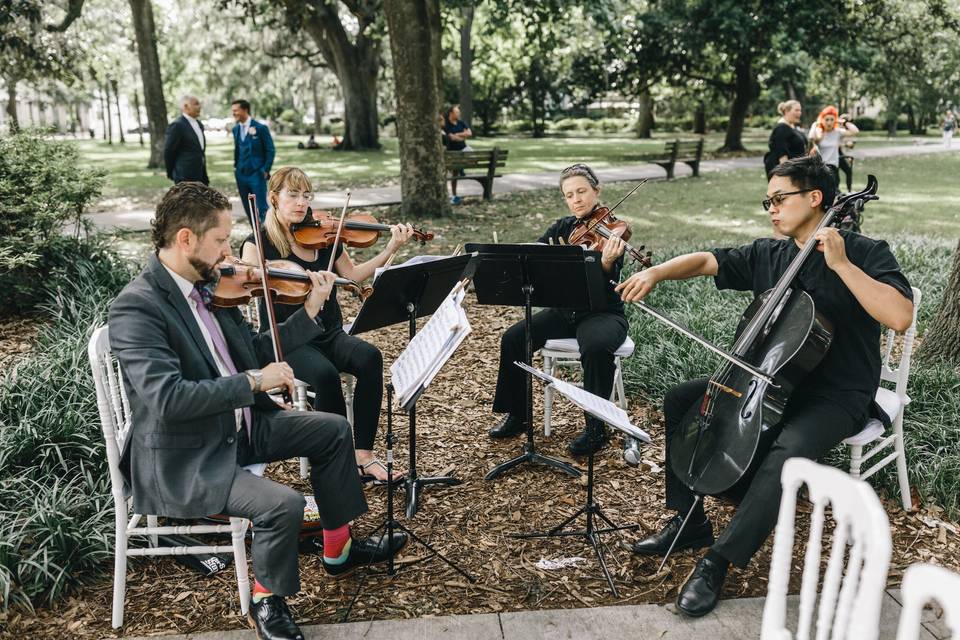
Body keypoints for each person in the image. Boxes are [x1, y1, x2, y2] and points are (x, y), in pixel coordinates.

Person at [616, 155, 913, 618]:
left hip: (837, 394)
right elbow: (709, 261)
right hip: (770, 383)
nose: (771, 209)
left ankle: (717, 563)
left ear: (815, 199)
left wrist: (841, 265)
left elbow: (899, 315)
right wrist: (655, 272)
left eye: (779, 199)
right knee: (682, 400)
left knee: (789, 448)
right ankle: (689, 522)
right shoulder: (772, 254)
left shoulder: (866, 251)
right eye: (767, 201)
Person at [108, 182, 406, 640]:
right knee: (282, 503)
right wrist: (252, 381)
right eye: (221, 241)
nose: (232, 253)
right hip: (186, 456)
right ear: (186, 239)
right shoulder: (137, 307)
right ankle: (268, 602)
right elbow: (167, 398)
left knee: (331, 431)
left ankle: (338, 549)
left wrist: (309, 309)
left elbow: (255, 349)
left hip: (240, 425)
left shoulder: (210, 286)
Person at [241, 167, 415, 483]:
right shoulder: (257, 244)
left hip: (327, 331)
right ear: (273, 198)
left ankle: (363, 456)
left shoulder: (324, 238)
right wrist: (277, 272)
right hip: (288, 338)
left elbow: (354, 276)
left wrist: (391, 249)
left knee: (369, 357)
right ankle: (334, 461)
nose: (301, 203)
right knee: (324, 375)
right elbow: (252, 281)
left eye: (306, 196)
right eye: (292, 195)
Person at [487, 163, 628, 456]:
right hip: (564, 312)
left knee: (597, 345)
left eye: (582, 192)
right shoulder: (563, 228)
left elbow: (607, 281)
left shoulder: (613, 232)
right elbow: (535, 255)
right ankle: (518, 414)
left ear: (596, 191)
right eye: (569, 195)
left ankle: (595, 426)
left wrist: (603, 262)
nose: (576, 199)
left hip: (602, 312)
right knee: (513, 338)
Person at [231, 99, 276, 226]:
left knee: (262, 208)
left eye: (236, 110)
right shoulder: (235, 130)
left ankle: (268, 236)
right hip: (241, 174)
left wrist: (265, 170)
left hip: (257, 174)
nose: (234, 113)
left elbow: (270, 149)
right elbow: (238, 150)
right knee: (248, 208)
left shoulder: (260, 128)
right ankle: (256, 236)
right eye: (233, 111)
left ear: (245, 110)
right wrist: (236, 167)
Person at [808, 105, 859, 189]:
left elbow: (855, 131)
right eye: (827, 119)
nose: (829, 122)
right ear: (822, 119)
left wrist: (842, 122)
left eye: (832, 119)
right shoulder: (819, 132)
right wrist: (814, 125)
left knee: (834, 193)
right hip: (822, 167)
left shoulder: (837, 132)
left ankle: (848, 190)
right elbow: (811, 137)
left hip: (833, 168)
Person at [164, 95, 209, 185]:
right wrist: (171, 172)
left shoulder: (199, 124)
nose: (199, 107)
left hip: (201, 174)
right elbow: (169, 151)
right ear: (185, 106)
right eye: (196, 104)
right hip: (184, 176)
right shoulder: (177, 125)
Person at [764, 100, 806, 178]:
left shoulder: (793, 128)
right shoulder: (781, 128)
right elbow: (781, 154)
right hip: (786, 172)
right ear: (786, 111)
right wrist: (787, 175)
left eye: (800, 110)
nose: (799, 113)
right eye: (796, 110)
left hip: (797, 169)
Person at [443, 104, 473, 205]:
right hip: (452, 154)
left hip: (463, 151)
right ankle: (454, 195)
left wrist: (458, 134)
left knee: (470, 151)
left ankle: (461, 167)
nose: (459, 114)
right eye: (457, 112)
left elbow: (469, 133)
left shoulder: (461, 122)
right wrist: (462, 136)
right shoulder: (446, 124)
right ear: (451, 113)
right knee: (454, 173)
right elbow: (452, 138)